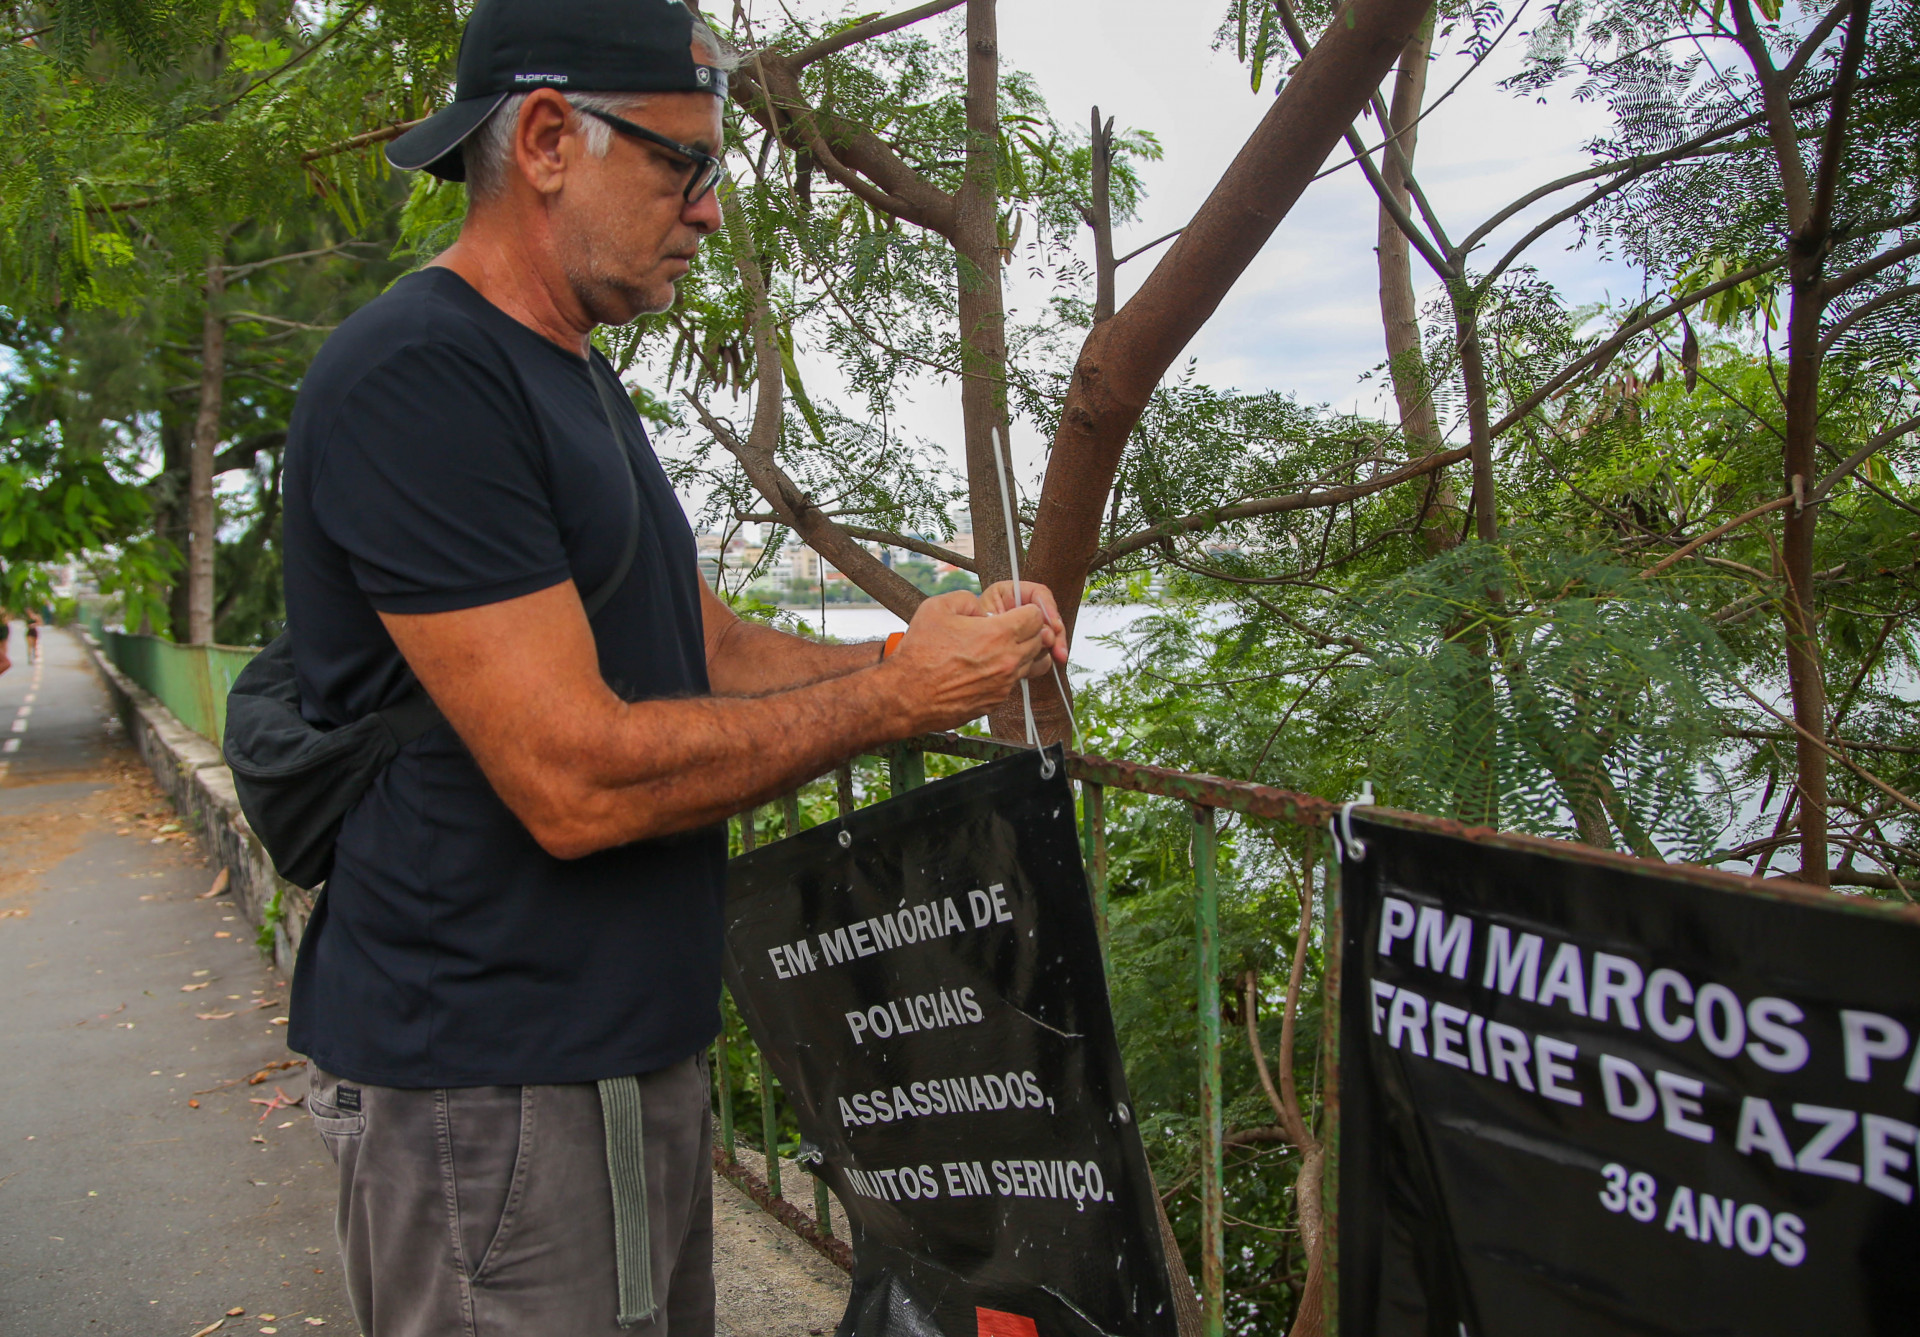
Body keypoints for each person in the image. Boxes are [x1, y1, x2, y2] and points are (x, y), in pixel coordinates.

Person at [278, 1, 1066, 1334]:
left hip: (620, 1061)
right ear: (543, 141)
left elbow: (704, 646)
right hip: (491, 1086)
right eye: (683, 165)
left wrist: (911, 652)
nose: (708, 212)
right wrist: (889, 703)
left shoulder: (572, 377)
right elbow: (570, 776)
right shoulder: (419, 378)